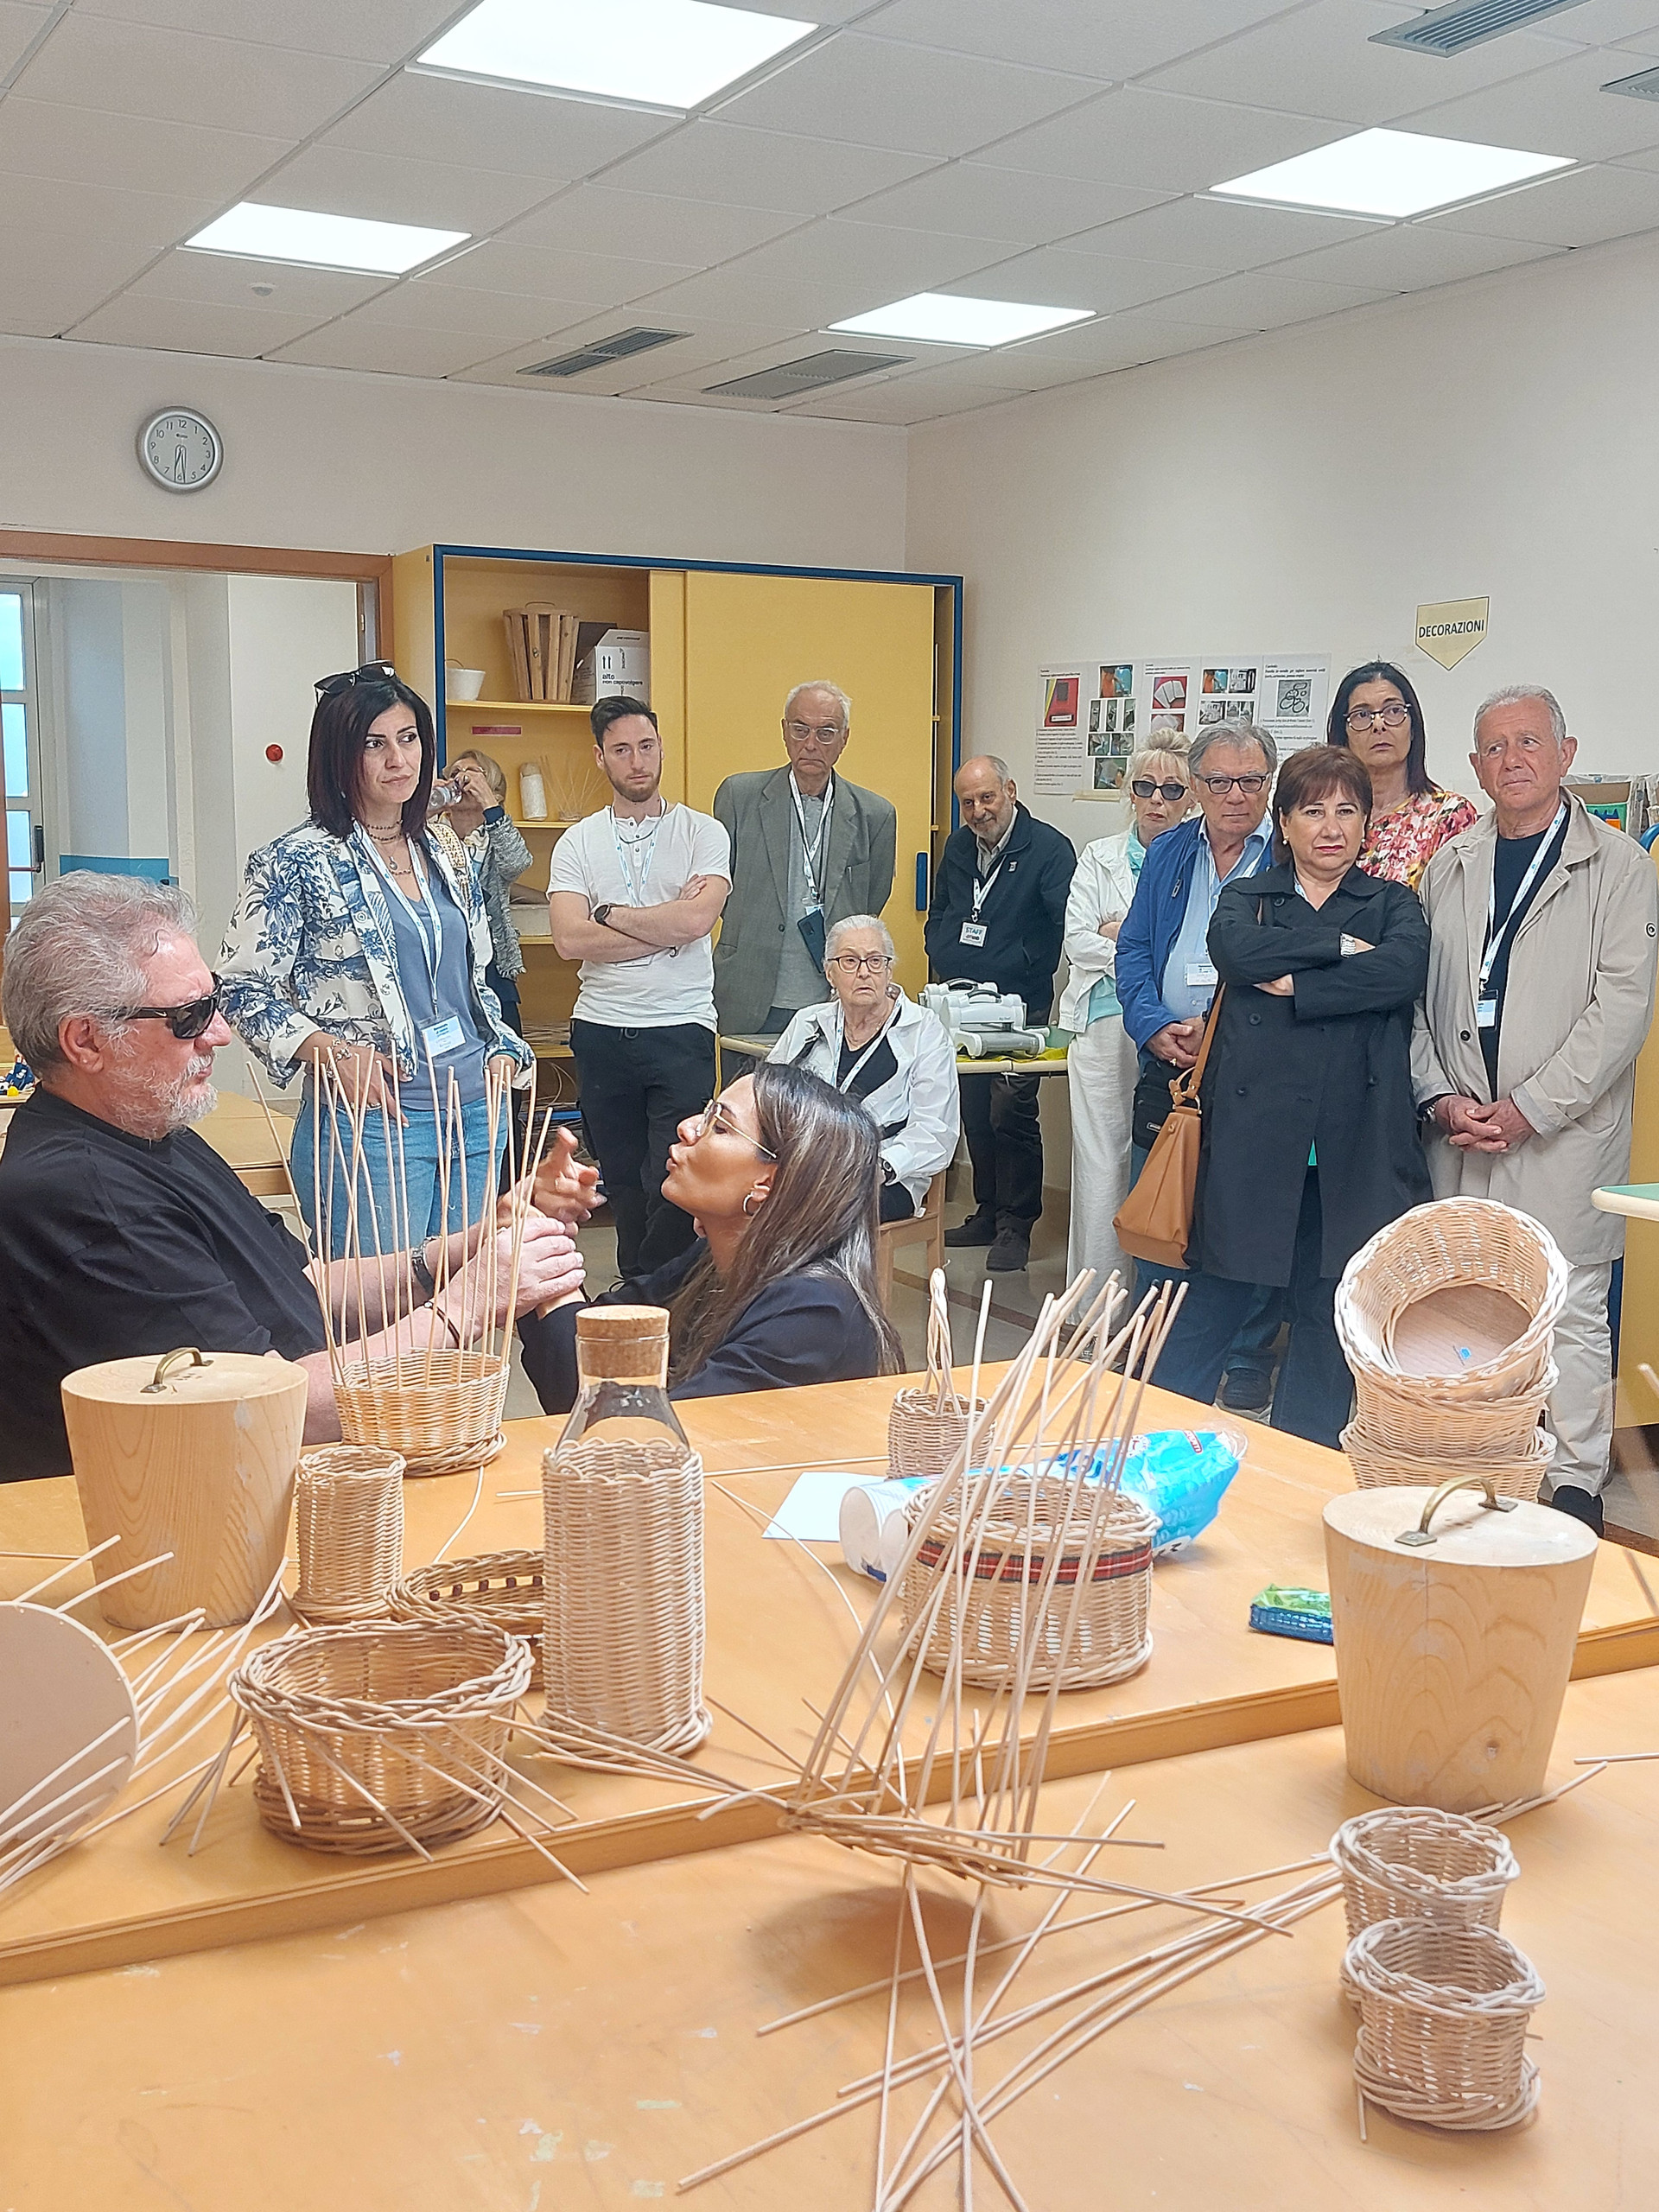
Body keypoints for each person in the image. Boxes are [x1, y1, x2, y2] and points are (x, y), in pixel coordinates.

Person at [0, 875, 588, 1482]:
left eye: (216, 1002)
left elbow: (297, 1284)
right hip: (156, 1527)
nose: (220, 1033)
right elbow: (272, 1408)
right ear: (86, 1041)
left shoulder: (148, 1126)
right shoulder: (83, 1196)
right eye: (188, 1017)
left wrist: (465, 1249)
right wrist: (466, 1305)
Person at [1413, 685, 1659, 1535]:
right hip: (1461, 1126)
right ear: (1475, 766)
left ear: (1566, 753)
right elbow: (1413, 998)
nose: (1511, 759)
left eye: (1528, 742)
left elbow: (1621, 1013)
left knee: (1571, 1311)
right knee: (1468, 1304)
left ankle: (1578, 1481)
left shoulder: (1620, 866)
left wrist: (1529, 1108)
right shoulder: (1449, 865)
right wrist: (1441, 1095)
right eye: (1493, 747)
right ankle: (1484, 1460)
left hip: (1562, 1134)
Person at [1154, 747, 1432, 1447]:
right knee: (1210, 1301)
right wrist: (1343, 949)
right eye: (1313, 811)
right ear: (1284, 822)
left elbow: (1399, 974)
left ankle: (1302, 1461)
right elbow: (1238, 955)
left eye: (1347, 811)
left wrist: (1297, 983)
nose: (1330, 828)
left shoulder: (1393, 902)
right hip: (1254, 1139)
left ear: (1367, 824)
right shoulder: (1248, 898)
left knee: (1327, 1312)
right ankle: (1152, 1443)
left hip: (1351, 1144)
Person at [219, 662, 531, 1257]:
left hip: (474, 1111)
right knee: (378, 1321)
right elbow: (240, 989)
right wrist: (333, 1053)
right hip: (374, 1123)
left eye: (409, 739)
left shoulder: (444, 849)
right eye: (375, 744)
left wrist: (501, 1048)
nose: (399, 760)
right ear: (340, 755)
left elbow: (473, 977)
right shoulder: (295, 860)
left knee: (462, 1307)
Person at [519, 1062, 902, 1408]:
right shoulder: (714, 1259)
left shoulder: (814, 1311)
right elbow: (598, 1337)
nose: (687, 1128)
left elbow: (643, 1438)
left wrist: (540, 1250)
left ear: (768, 1182)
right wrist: (540, 1232)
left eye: (719, 1126)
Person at [1115, 721, 1281, 1408]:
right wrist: (1154, 1027)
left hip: (1252, 1064)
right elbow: (1132, 952)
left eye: (1250, 781)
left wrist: (1215, 1031)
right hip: (1170, 1063)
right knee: (1162, 1209)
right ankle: (1155, 1353)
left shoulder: (1290, 858)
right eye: (1217, 782)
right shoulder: (1170, 851)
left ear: (1269, 786)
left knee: (1250, 1217)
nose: (1234, 795)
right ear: (1197, 787)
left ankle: (1247, 1358)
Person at [547, 695, 732, 1278]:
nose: (638, 762)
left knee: (674, 1174)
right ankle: (637, 1289)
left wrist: (608, 913)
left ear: (660, 750)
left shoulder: (703, 833)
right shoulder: (577, 843)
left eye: (646, 747)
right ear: (601, 758)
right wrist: (663, 920)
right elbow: (568, 941)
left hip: (681, 1025)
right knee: (624, 1179)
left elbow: (697, 922)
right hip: (602, 1026)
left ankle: (659, 1294)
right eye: (622, 750)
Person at [925, 753, 1076, 1273]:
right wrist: (942, 951)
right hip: (959, 1001)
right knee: (972, 1107)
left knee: (1009, 1112)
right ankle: (986, 1211)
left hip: (1018, 1004)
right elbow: (943, 908)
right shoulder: (959, 845)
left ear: (1010, 791)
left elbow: (1058, 928)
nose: (977, 811)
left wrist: (1009, 964)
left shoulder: (1050, 849)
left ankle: (1017, 1224)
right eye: (967, 802)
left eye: (987, 798)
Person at [1058, 743, 1193, 1294]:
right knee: (1103, 1167)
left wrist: (1123, 936)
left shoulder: (1200, 856)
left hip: (1176, 1029)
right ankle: (1097, 1310)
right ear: (1129, 792)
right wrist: (1137, 952)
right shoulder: (1099, 856)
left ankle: (1156, 1306)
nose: (1156, 801)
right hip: (1107, 1019)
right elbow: (1076, 941)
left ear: (1191, 798)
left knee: (1169, 1166)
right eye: (1144, 787)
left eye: (1172, 790)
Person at [712, 680, 897, 1038]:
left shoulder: (875, 815)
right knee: (750, 1094)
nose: (811, 744)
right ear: (784, 731)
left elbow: (872, 899)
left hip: (834, 1001)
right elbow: (720, 891)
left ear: (844, 739)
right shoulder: (739, 796)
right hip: (750, 991)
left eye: (826, 733)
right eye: (800, 729)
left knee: (826, 1096)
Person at [768, 913, 958, 1222]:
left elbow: (936, 1131)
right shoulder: (808, 1023)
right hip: (806, 1168)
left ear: (889, 970)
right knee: (735, 1194)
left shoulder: (923, 1030)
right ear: (830, 973)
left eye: (875, 961)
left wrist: (878, 1166)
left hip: (883, 1177)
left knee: (813, 1213)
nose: (864, 972)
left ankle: (812, 1272)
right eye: (850, 961)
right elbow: (768, 1098)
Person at [1326, 660, 1477, 889]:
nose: (1379, 725)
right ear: (1343, 733)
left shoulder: (1448, 817)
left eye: (1393, 711)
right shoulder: (1324, 816)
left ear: (1413, 727)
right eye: (1362, 714)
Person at [438, 747, 534, 1036]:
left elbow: (516, 863)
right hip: (442, 967)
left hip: (491, 966)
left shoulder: (496, 840)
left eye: (472, 774)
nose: (461, 779)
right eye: (454, 774)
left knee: (506, 1060)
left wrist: (490, 803)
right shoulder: (428, 835)